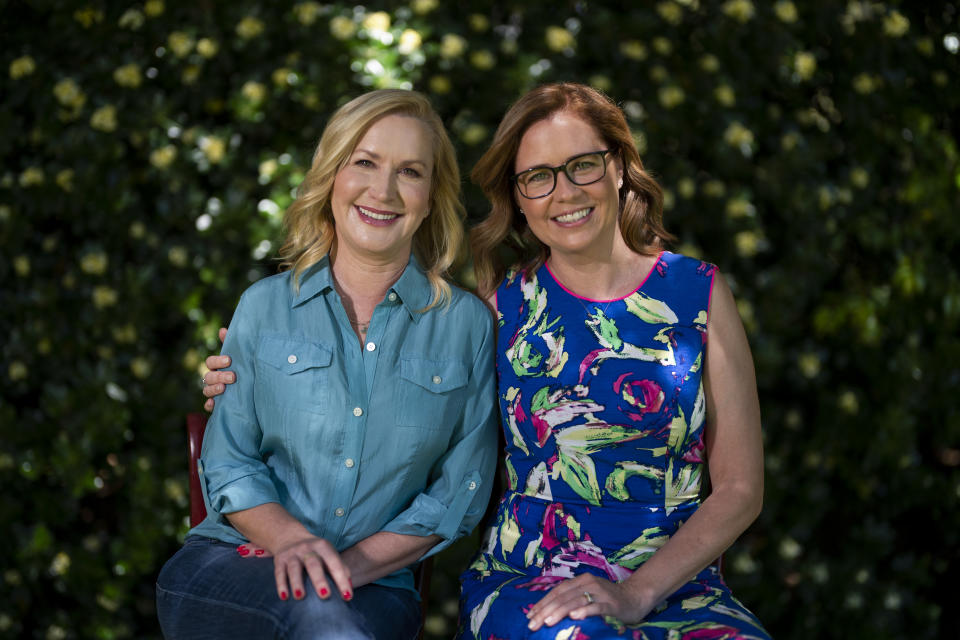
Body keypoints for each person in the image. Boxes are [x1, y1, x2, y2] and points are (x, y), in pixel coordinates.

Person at [204, 83, 770, 639]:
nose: (564, 192)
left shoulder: (699, 294)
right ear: (519, 197)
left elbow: (740, 487)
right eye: (538, 177)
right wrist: (248, 367)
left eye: (583, 166)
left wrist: (639, 591)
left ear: (619, 166)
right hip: (534, 575)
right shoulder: (499, 312)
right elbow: (372, 385)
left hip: (677, 585)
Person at [157, 89, 499, 640]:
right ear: (332, 176)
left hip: (373, 588)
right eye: (364, 162)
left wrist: (350, 567)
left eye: (410, 172)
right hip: (233, 562)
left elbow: (461, 489)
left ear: (432, 196)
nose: (383, 190)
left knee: (330, 624)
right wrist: (291, 540)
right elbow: (229, 459)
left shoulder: (466, 327)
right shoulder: (264, 306)